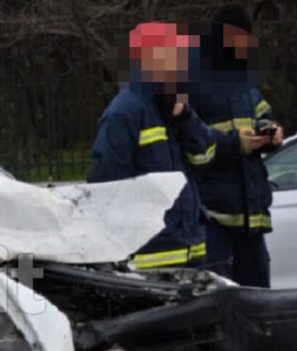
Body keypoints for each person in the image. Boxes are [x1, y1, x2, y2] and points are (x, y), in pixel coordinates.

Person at [89, 22, 216, 270]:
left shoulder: (176, 107)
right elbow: (105, 189)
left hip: (191, 255)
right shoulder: (124, 113)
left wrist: (185, 118)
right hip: (151, 263)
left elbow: (205, 156)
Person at [189, 3, 284, 287]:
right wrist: (235, 145)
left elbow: (262, 116)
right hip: (214, 218)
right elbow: (190, 141)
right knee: (221, 305)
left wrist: (271, 134)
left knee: (257, 306)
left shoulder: (246, 83)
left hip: (251, 220)